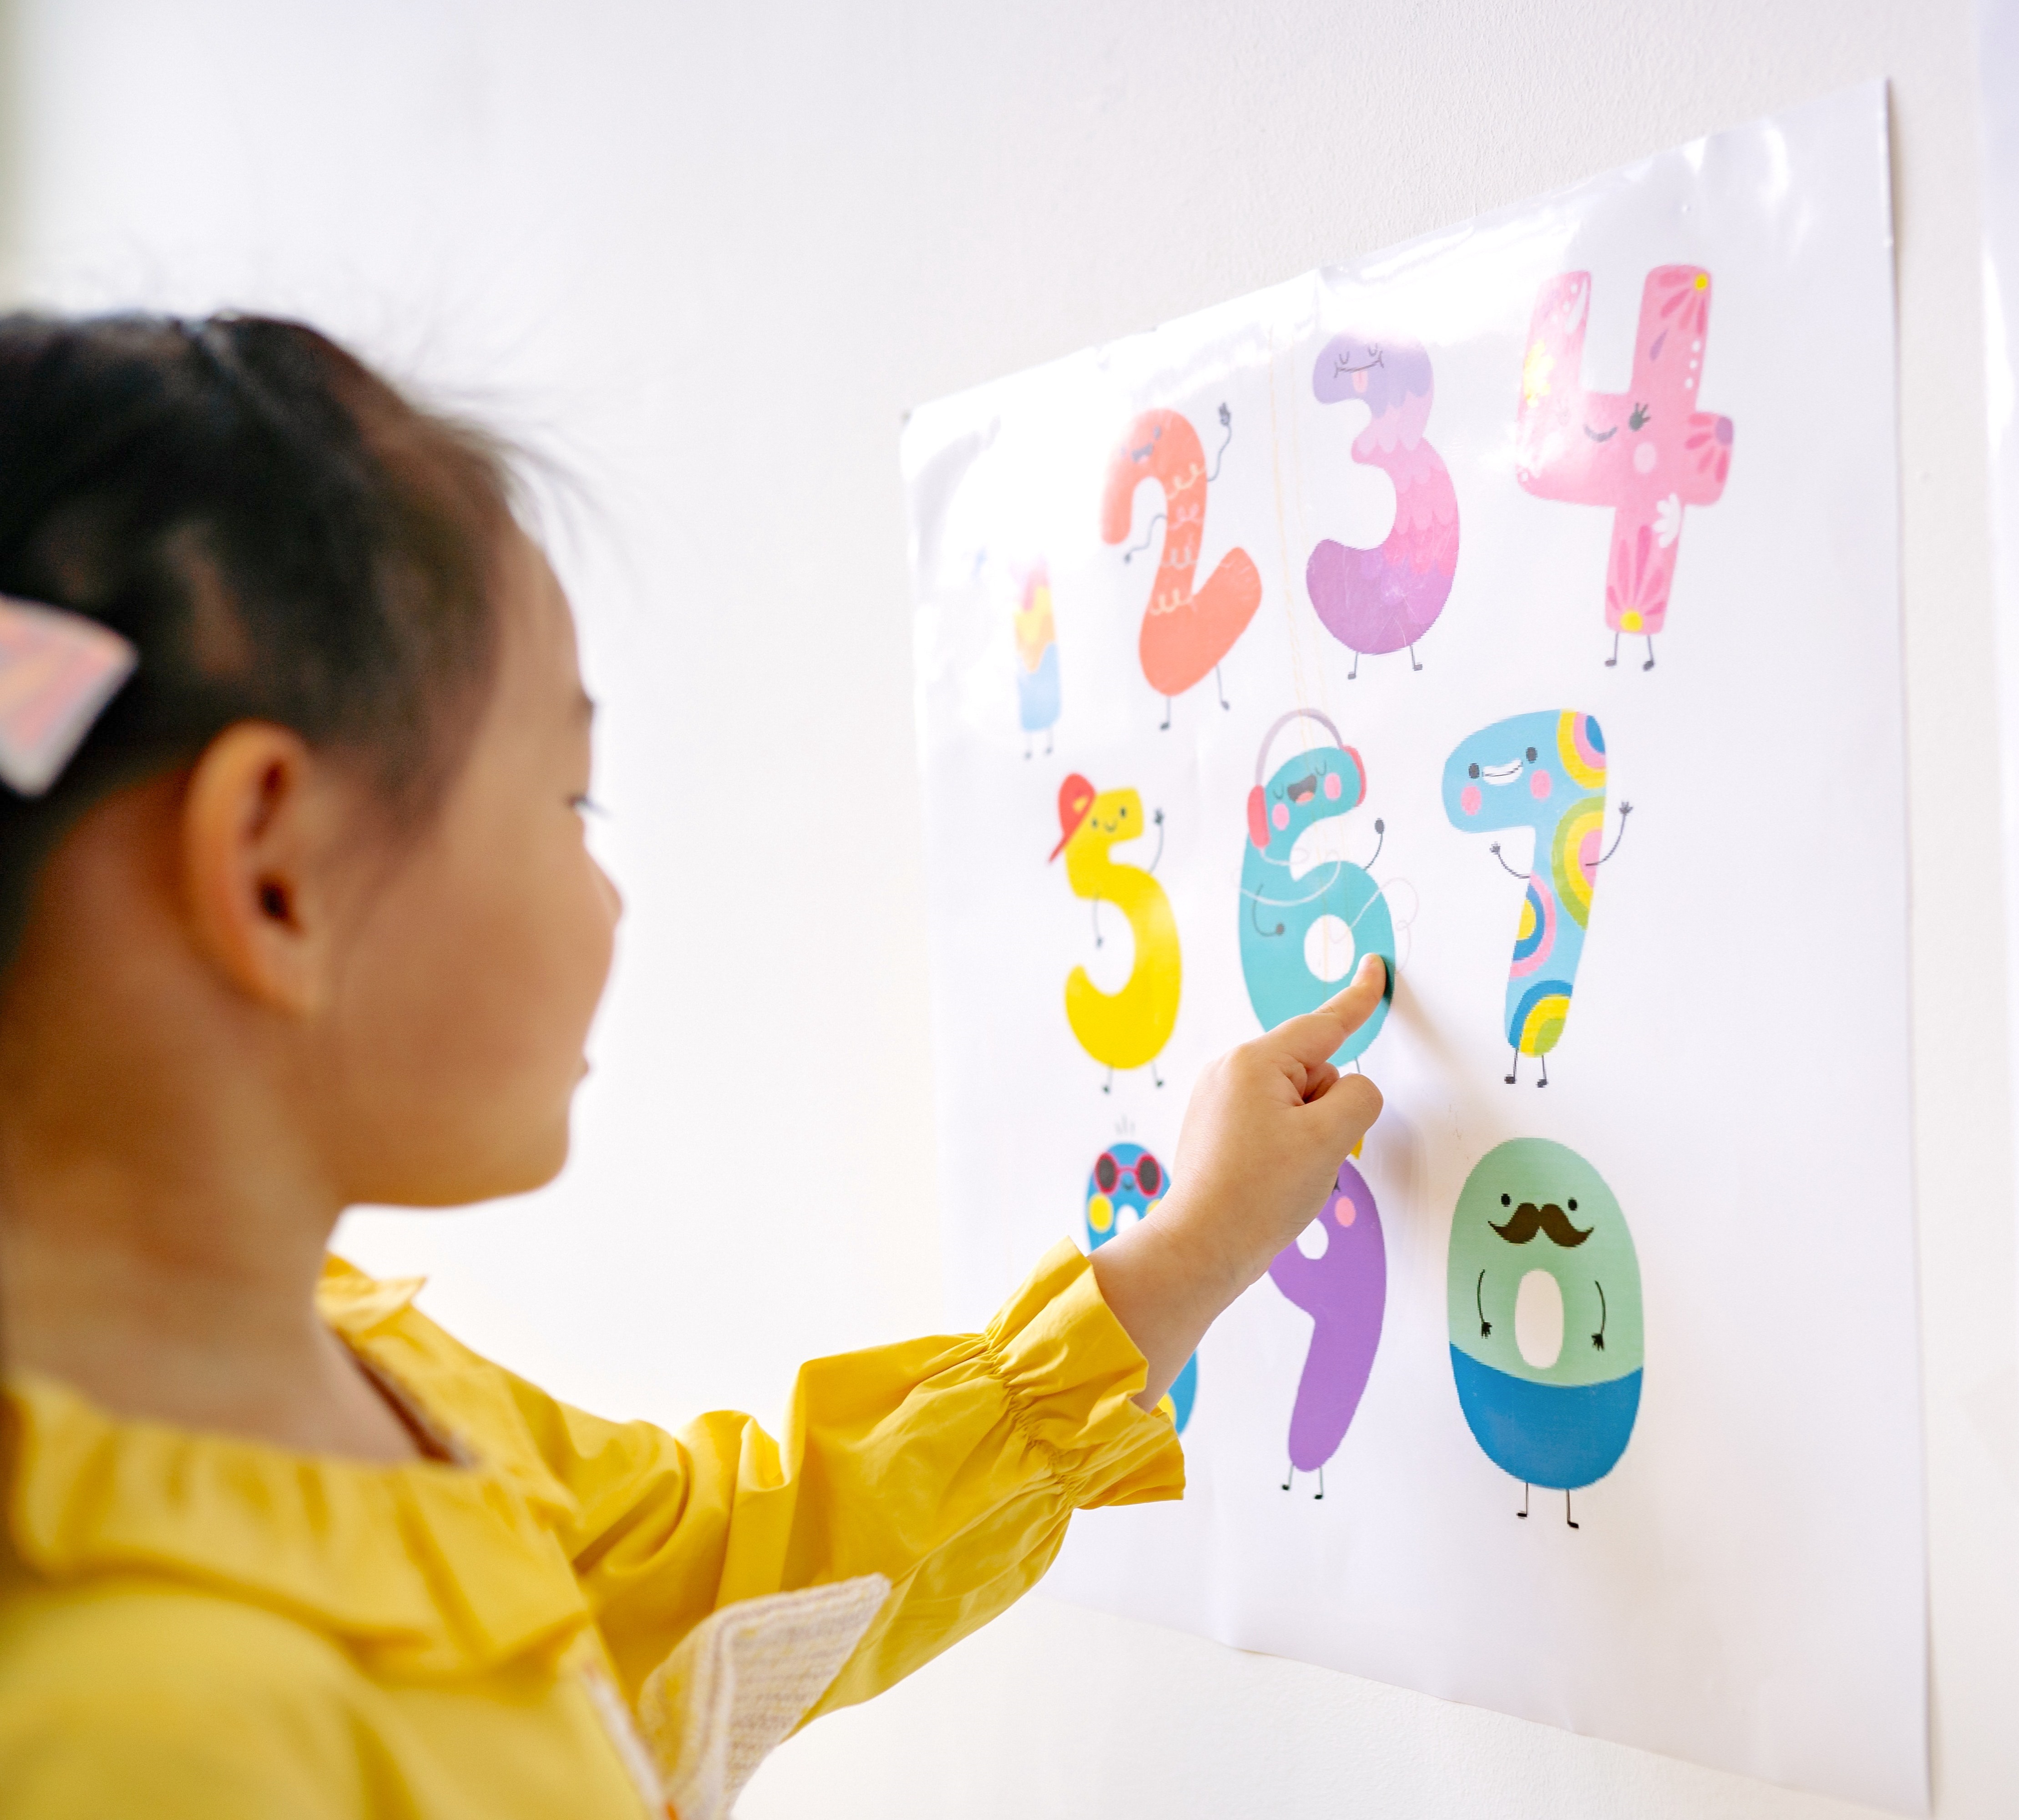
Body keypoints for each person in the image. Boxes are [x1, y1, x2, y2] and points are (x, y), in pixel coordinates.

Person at [0, 312, 1386, 1818]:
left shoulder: (354, 1375)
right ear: (282, 872)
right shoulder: (124, 1735)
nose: (610, 896)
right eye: (570, 802)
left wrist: (1180, 1259)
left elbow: (729, 1567)